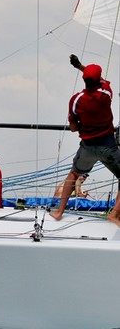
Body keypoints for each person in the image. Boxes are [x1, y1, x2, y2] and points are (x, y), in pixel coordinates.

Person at [52, 55, 120, 225]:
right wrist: (80, 65)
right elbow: (101, 80)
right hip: (108, 146)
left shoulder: (75, 100)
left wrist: (83, 125)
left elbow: (74, 128)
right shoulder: (106, 94)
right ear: (99, 80)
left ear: (84, 80)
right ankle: (114, 215)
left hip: (88, 147)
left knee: (74, 174)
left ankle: (59, 211)